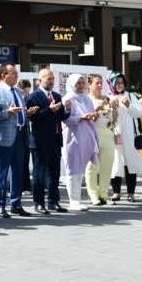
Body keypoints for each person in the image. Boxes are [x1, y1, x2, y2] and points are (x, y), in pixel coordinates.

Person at [26, 68, 69, 214]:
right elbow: (34, 118)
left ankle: (53, 201)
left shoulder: (56, 96)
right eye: (48, 79)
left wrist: (66, 109)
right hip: (40, 141)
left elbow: (62, 116)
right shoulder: (33, 97)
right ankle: (38, 203)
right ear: (40, 80)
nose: (51, 81)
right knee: (39, 173)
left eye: (52, 79)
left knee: (54, 172)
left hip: (56, 139)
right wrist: (49, 110)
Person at [0, 63, 29, 217]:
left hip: (20, 135)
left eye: (16, 73)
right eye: (13, 73)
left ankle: (16, 204)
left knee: (18, 172)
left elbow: (21, 112)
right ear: (4, 75)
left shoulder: (19, 92)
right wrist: (8, 113)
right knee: (1, 173)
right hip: (3, 136)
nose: (16, 75)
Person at [107, 72, 142, 202]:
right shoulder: (108, 97)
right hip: (115, 134)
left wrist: (129, 105)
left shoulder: (130, 96)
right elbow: (105, 118)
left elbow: (139, 112)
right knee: (116, 163)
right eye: (117, 82)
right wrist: (111, 108)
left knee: (130, 163)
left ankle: (131, 193)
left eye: (122, 83)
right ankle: (116, 192)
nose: (120, 85)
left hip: (130, 135)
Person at [61, 74, 99, 211]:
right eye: (78, 83)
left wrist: (94, 115)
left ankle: (78, 199)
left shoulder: (87, 99)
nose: (81, 86)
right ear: (72, 84)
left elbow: (91, 113)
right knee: (72, 169)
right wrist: (81, 117)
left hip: (86, 137)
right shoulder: (67, 99)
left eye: (83, 83)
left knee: (80, 170)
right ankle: (73, 200)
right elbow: (66, 119)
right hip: (72, 138)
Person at [85, 73, 115, 206]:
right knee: (92, 166)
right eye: (96, 83)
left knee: (107, 166)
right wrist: (98, 108)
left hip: (108, 135)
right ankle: (93, 195)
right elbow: (88, 119)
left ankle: (103, 194)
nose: (99, 85)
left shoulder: (107, 98)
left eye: (101, 83)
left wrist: (115, 108)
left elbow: (114, 119)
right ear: (89, 85)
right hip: (93, 135)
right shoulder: (86, 100)